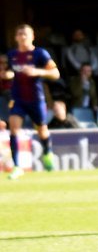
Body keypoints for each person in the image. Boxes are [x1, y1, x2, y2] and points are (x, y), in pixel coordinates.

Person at [4, 25, 61, 178]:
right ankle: (17, 166)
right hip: (18, 98)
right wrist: (7, 74)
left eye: (25, 34)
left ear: (32, 36)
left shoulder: (40, 54)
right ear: (15, 37)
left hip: (36, 99)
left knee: (42, 131)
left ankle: (48, 154)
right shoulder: (12, 54)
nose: (23, 37)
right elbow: (11, 71)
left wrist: (38, 71)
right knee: (14, 129)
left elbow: (55, 73)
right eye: (20, 34)